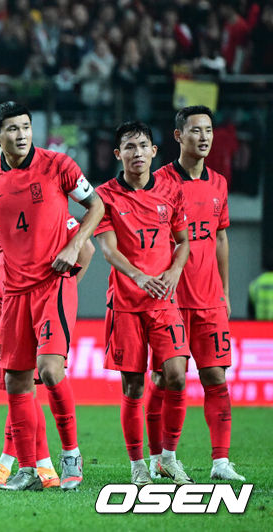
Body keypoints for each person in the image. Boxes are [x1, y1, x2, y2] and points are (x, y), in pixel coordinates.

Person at [0, 101, 104, 491]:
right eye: (12, 129)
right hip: (12, 294)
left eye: (26, 127)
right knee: (17, 383)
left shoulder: (57, 165)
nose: (21, 135)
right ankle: (29, 470)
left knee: (50, 372)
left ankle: (71, 457)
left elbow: (97, 205)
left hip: (53, 284)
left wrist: (74, 246)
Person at [146, 106, 245, 482]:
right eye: (195, 131)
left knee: (216, 378)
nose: (203, 137)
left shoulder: (218, 182)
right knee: (165, 378)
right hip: (170, 299)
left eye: (208, 131)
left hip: (209, 299)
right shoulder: (158, 182)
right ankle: (159, 457)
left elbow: (220, 238)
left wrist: (225, 290)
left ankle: (221, 462)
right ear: (177, 137)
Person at [94, 120, 193, 486]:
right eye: (129, 147)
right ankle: (138, 465)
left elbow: (183, 241)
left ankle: (166, 457)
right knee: (133, 387)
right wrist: (136, 276)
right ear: (118, 154)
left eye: (143, 146)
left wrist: (174, 272)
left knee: (177, 378)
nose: (137, 153)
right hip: (125, 304)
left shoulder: (171, 190)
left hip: (164, 301)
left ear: (155, 151)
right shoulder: (105, 195)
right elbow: (107, 249)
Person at [0, 216, 95, 488]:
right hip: (7, 305)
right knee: (19, 384)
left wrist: (65, 288)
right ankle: (42, 467)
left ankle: (21, 461)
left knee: (45, 374)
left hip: (44, 300)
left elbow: (86, 248)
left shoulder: (46, 201)